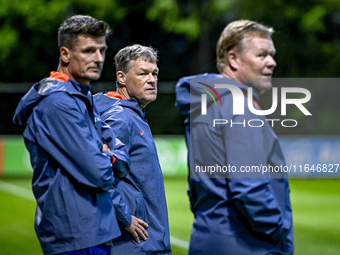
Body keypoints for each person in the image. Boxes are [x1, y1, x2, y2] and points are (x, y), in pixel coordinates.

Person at [13, 15, 132, 255]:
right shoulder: (57, 103)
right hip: (74, 233)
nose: (98, 59)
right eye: (89, 51)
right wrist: (105, 156)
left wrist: (106, 155)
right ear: (65, 54)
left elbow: (119, 153)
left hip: (93, 228)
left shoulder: (81, 95)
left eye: (102, 50)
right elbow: (98, 172)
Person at [175, 20, 294, 254]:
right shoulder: (239, 104)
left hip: (209, 236)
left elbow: (197, 186)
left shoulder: (206, 102)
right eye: (262, 55)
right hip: (246, 243)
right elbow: (249, 187)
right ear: (233, 59)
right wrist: (279, 231)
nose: (272, 62)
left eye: (271, 55)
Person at [93, 44, 172, 254]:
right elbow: (99, 172)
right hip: (136, 242)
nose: (152, 79)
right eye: (143, 73)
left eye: (154, 73)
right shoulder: (119, 117)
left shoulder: (129, 113)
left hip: (142, 240)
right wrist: (125, 217)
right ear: (121, 78)